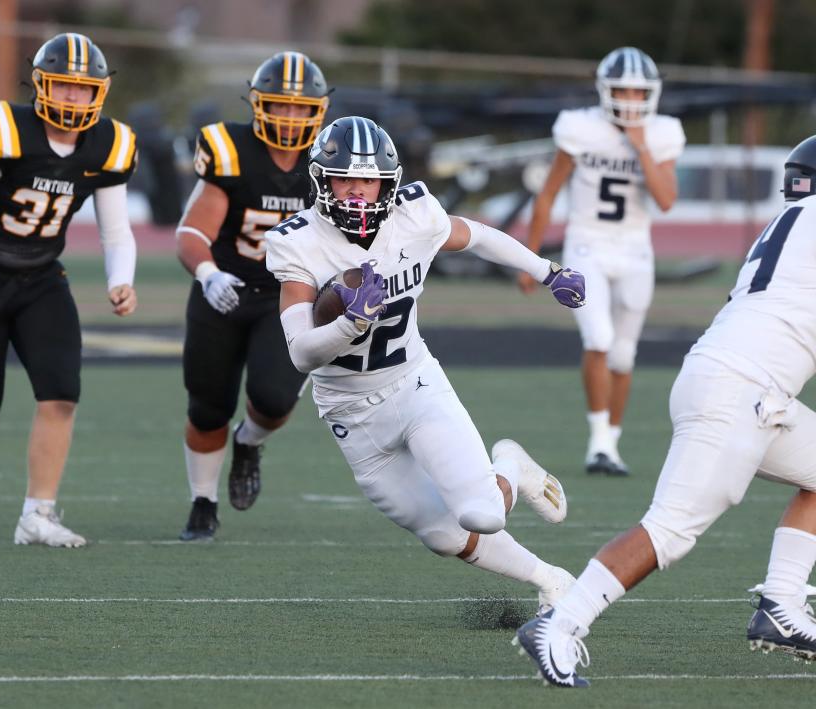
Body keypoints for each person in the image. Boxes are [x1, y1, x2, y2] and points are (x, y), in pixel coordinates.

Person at [513, 136, 816, 687]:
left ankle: (782, 606)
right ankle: (561, 623)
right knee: (670, 531)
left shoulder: (790, 226)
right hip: (740, 392)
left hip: (735, 381)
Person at [265, 116, 587, 613]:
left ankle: (508, 465)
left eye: (366, 180)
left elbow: (476, 235)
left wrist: (547, 270)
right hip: (351, 413)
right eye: (344, 179)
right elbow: (300, 352)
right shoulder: (298, 243)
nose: (355, 193)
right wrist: (350, 323)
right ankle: (553, 580)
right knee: (441, 535)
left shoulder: (414, 216)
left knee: (482, 515)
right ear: (321, 181)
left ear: (386, 183)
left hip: (414, 385)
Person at [0, 33, 138, 548]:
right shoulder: (7, 130)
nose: (71, 98)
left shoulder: (110, 143)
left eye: (81, 89)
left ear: (98, 93)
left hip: (41, 277)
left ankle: (36, 515)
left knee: (62, 390)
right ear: (41, 86)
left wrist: (120, 279)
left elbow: (115, 230)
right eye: (61, 87)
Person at [174, 51, 330, 541]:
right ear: (259, 105)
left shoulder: (330, 160)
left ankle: (249, 442)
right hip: (225, 289)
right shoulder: (231, 149)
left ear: (317, 111)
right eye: (279, 106)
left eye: (299, 107)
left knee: (275, 398)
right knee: (207, 407)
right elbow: (191, 233)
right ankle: (203, 501)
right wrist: (208, 274)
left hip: (289, 295)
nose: (289, 116)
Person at [518, 47, 686, 476]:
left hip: (635, 249)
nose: (629, 99)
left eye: (637, 91)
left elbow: (666, 200)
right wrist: (529, 257)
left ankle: (611, 443)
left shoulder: (663, 133)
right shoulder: (579, 127)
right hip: (587, 244)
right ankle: (597, 443)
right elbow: (550, 192)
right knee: (599, 338)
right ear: (605, 89)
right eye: (622, 90)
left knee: (624, 356)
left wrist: (641, 146)